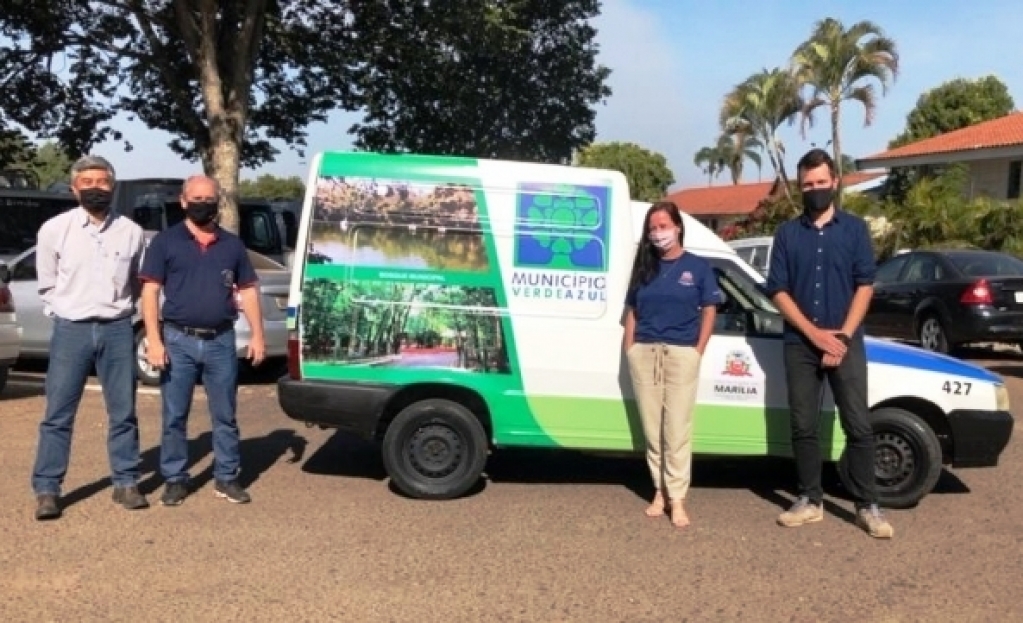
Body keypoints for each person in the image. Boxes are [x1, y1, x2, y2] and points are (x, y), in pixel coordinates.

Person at [765, 148, 894, 539]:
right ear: (800, 187)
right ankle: (809, 499)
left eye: (821, 182)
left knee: (858, 424)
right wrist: (815, 334)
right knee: (804, 425)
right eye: (808, 185)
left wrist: (841, 335)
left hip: (846, 340)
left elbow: (864, 285)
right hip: (801, 343)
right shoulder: (787, 234)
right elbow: (778, 291)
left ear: (834, 182)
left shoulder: (854, 230)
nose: (815, 190)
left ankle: (868, 505)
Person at [31, 155, 148, 520]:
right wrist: (62, 312)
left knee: (124, 412)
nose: (95, 188)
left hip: (116, 330)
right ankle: (48, 489)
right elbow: (47, 283)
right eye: (88, 183)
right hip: (72, 331)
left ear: (113, 186)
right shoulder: (54, 229)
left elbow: (138, 283)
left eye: (102, 182)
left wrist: (130, 317)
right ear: (74, 188)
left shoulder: (131, 232)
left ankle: (126, 482)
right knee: (58, 414)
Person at [139, 175, 266, 507]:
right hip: (178, 339)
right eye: (195, 198)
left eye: (208, 198)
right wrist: (153, 339)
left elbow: (249, 289)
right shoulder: (165, 243)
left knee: (225, 415)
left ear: (217, 202)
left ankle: (227, 477)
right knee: (174, 415)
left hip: (221, 341)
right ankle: (175, 479)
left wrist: (258, 335)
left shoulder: (232, 245)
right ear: (183, 201)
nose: (201, 203)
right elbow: (150, 291)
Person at [623, 201, 719, 529]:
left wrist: (698, 350)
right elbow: (632, 310)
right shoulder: (644, 268)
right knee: (653, 430)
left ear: (678, 227)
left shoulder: (698, 267)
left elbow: (709, 309)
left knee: (676, 429)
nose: (658, 233)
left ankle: (677, 498)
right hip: (646, 353)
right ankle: (659, 492)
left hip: (681, 354)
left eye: (664, 226)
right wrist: (630, 349)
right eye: (653, 228)